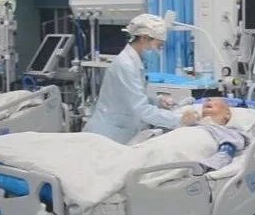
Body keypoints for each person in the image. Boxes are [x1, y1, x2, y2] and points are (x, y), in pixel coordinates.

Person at [84, 13, 198, 143]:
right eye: (158, 46)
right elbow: (141, 109)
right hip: (109, 133)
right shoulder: (126, 65)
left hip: (121, 129)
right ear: (144, 38)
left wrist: (157, 101)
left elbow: (133, 96)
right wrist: (180, 119)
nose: (158, 51)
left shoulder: (136, 61)